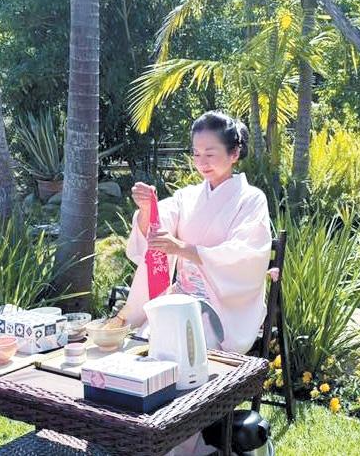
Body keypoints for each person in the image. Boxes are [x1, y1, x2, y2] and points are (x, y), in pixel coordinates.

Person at [113, 111, 272, 355]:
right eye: (196, 154)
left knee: (183, 345)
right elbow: (155, 228)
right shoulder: (186, 197)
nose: (202, 162)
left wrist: (181, 248)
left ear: (234, 154)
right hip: (180, 299)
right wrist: (146, 209)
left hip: (222, 309)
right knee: (144, 340)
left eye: (210, 154)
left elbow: (245, 254)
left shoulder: (251, 199)